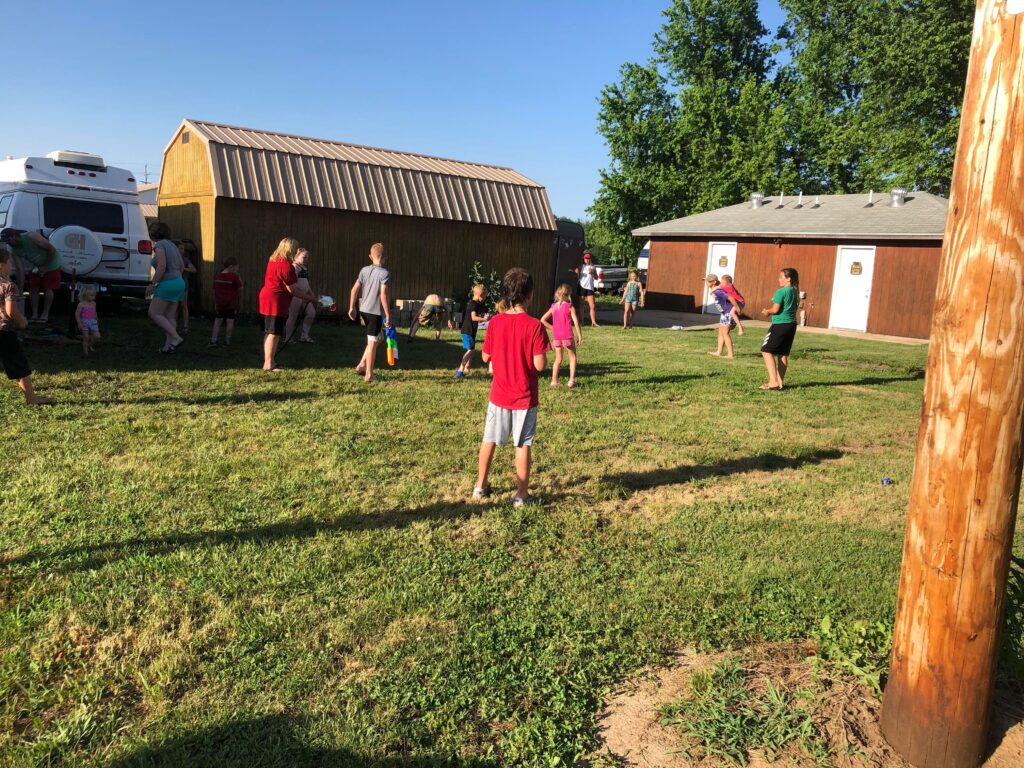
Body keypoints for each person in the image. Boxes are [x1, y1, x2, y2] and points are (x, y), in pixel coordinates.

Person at [473, 267, 550, 506]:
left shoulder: (495, 323)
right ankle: (521, 494)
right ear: (529, 295)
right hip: (524, 397)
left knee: (489, 439)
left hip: (499, 395)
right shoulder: (534, 326)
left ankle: (480, 486)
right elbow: (539, 365)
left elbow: (485, 357)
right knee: (522, 443)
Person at [0, 244, 54, 404]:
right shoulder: (8, 286)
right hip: (4, 332)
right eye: (10, 262)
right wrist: (21, 320)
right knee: (18, 364)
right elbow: (11, 311)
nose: (11, 265)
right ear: (2, 265)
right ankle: (31, 398)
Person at [259, 237, 317, 372]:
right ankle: (269, 364)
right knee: (274, 333)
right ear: (290, 249)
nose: (296, 250)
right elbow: (293, 290)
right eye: (295, 248)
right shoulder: (286, 266)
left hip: (267, 297)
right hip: (276, 300)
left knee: (269, 332)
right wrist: (311, 298)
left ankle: (270, 361)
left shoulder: (273, 260)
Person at [347, 242, 391, 383]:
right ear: (384, 257)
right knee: (372, 342)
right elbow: (383, 295)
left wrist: (352, 307)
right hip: (374, 313)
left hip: (364, 311)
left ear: (370, 256)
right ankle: (369, 375)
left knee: (379, 337)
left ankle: (361, 365)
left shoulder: (364, 270)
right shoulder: (384, 273)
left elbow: (354, 289)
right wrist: (388, 315)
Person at [0, 228, 61, 325]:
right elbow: (20, 269)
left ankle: (45, 314)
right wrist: (20, 289)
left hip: (52, 262)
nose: (7, 243)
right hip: (37, 265)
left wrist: (45, 267)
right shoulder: (14, 250)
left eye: (8, 240)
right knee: (33, 287)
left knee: (47, 288)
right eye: (5, 241)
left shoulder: (31, 237)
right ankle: (34, 314)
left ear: (15, 235)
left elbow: (52, 250)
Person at [146, 222, 186, 353]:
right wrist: (176, 280)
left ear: (154, 233)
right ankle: (168, 347)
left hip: (168, 283)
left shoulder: (160, 245)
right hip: (179, 282)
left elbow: (162, 266)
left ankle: (176, 337)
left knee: (154, 313)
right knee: (170, 316)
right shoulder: (173, 245)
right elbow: (181, 266)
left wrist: (153, 284)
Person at [759, 267, 800, 390]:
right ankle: (780, 383)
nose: (778, 279)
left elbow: (775, 310)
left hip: (780, 324)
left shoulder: (780, 292)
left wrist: (767, 311)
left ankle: (773, 382)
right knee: (782, 354)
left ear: (788, 279)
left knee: (766, 350)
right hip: (791, 325)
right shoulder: (794, 291)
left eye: (781, 277)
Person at [539, 283, 583, 388]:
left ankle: (554, 381)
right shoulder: (570, 306)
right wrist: (580, 335)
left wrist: (553, 328)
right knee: (572, 357)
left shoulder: (553, 307)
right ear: (569, 294)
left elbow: (542, 320)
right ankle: (571, 381)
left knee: (558, 359)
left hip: (557, 336)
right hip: (567, 335)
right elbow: (576, 322)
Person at [284, 248, 317, 344]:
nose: (306, 259)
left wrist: (311, 293)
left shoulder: (303, 267)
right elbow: (292, 283)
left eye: (307, 258)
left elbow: (306, 282)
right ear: (295, 257)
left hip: (305, 296)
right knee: (293, 316)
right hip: (296, 295)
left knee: (311, 313)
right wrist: (299, 293)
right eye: (304, 257)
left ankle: (304, 336)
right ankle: (288, 338)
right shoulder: (295, 267)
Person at [456, 284, 488, 378]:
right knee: (471, 350)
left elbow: (474, 317)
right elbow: (473, 317)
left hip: (471, 330)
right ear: (480, 295)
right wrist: (484, 319)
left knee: (470, 349)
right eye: (484, 296)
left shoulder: (475, 304)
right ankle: (460, 370)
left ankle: (467, 368)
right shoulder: (473, 304)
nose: (485, 298)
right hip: (468, 330)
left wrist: (481, 318)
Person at [705, 274, 740, 359]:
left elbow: (730, 298)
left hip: (728, 313)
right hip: (724, 313)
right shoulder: (716, 290)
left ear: (714, 282)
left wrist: (737, 308)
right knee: (721, 331)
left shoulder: (718, 291)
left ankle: (730, 354)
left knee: (725, 333)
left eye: (708, 281)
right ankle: (719, 352)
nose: (706, 283)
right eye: (706, 281)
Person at [210, 256, 242, 347]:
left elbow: (214, 289)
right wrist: (238, 276)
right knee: (230, 321)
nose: (237, 270)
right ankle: (227, 341)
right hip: (231, 303)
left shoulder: (217, 276)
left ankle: (213, 340)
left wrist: (215, 302)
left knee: (218, 321)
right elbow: (240, 288)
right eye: (236, 267)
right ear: (231, 266)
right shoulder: (234, 276)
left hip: (220, 303)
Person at [176, 241, 197, 336]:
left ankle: (185, 327)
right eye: (180, 248)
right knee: (174, 306)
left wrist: (184, 269)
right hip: (173, 286)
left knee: (183, 306)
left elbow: (194, 269)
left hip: (184, 285)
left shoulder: (185, 260)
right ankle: (173, 326)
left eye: (183, 249)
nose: (182, 250)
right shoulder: (171, 259)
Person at [74, 284, 100, 356]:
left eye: (94, 295)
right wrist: (79, 323)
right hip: (84, 322)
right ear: (85, 295)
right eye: (91, 295)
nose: (93, 297)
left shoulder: (94, 303)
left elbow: (95, 312)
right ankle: (85, 352)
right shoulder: (81, 304)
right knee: (86, 337)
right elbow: (77, 314)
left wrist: (97, 320)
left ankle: (90, 345)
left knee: (97, 336)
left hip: (93, 322)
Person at [575, 251, 599, 327]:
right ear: (584, 258)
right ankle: (582, 322)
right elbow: (577, 277)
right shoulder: (581, 266)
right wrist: (577, 273)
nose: (587, 260)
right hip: (581, 286)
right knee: (581, 305)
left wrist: (593, 273)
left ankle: (593, 322)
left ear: (590, 259)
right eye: (586, 258)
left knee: (592, 306)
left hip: (590, 287)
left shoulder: (593, 267)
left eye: (588, 258)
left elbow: (596, 278)